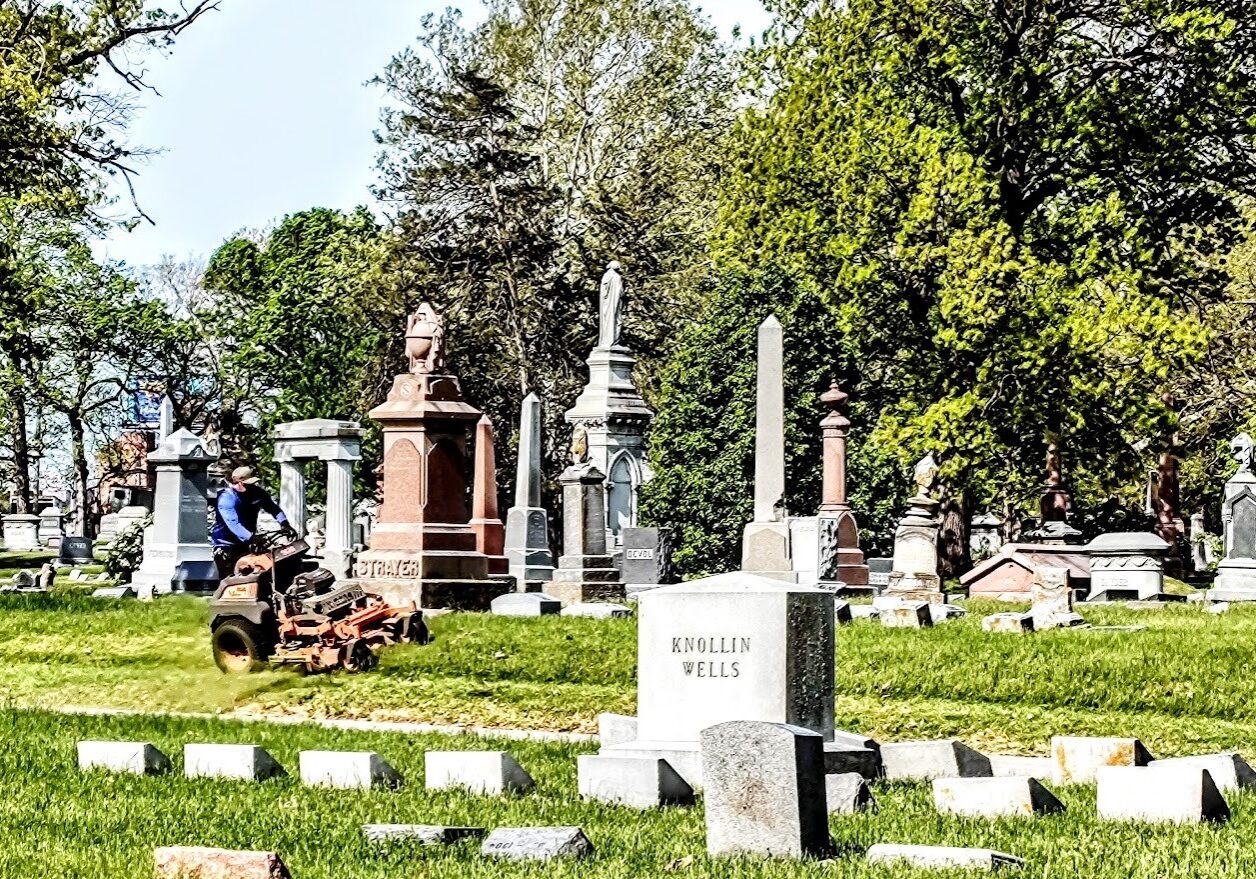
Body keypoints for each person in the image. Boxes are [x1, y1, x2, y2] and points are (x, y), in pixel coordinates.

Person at [212, 466, 296, 578]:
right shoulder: (226, 498)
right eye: (248, 484)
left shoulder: (258, 493)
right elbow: (233, 524)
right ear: (238, 482)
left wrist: (285, 524)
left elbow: (273, 509)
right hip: (226, 546)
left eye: (253, 483)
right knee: (233, 580)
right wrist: (252, 538)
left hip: (247, 542)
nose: (252, 486)